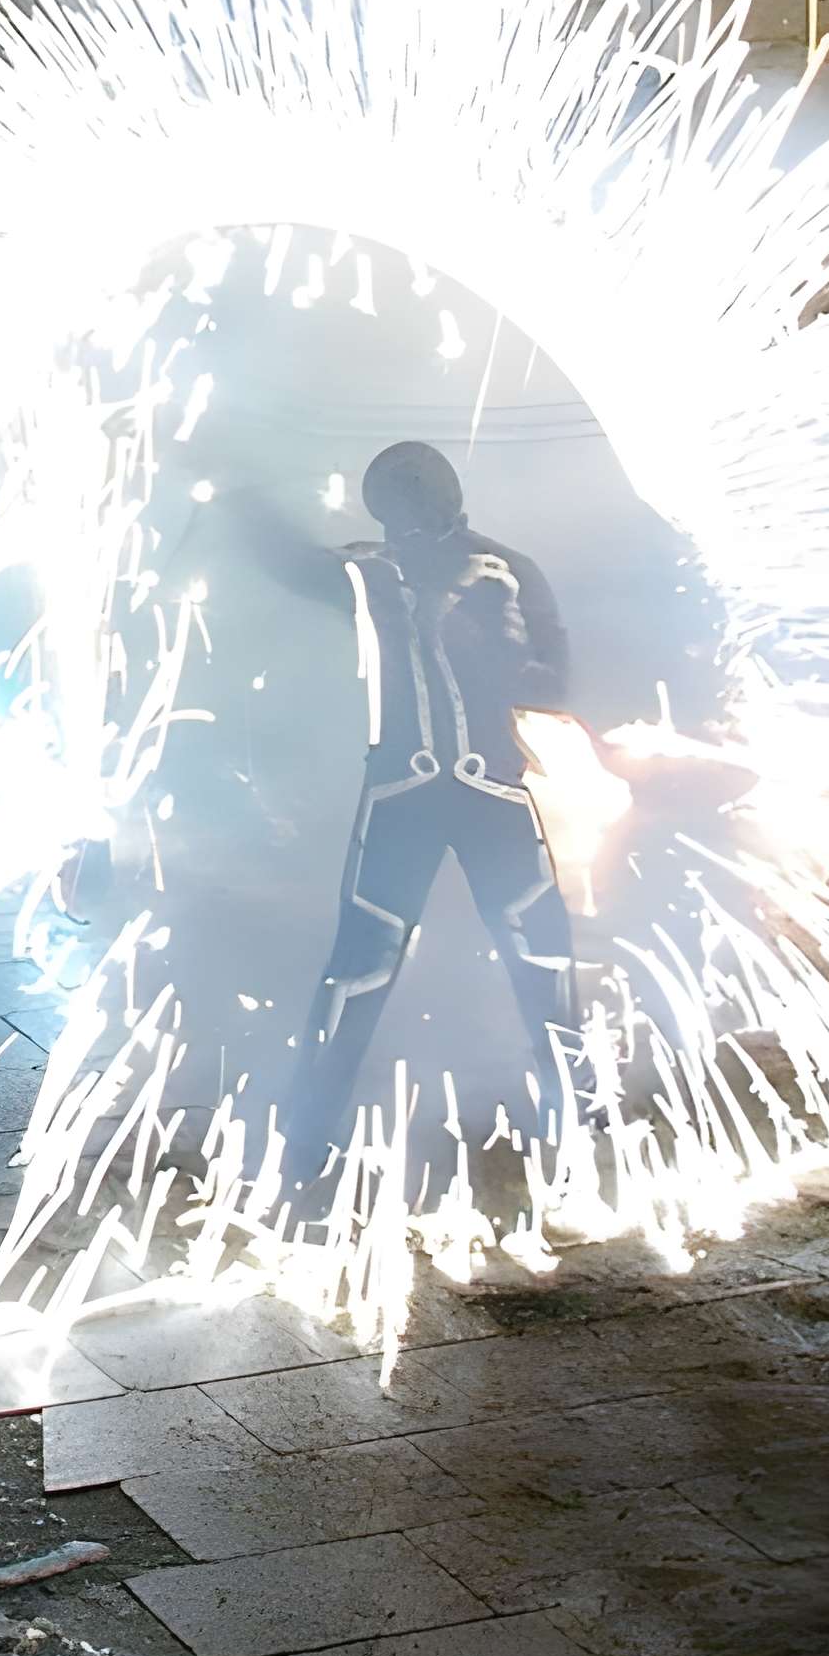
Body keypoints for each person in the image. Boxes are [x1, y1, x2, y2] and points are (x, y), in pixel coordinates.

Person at [219, 441, 579, 1152]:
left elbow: (550, 684)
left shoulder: (408, 572)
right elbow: (552, 683)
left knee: (512, 959)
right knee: (502, 958)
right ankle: (309, 1131)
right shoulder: (395, 572)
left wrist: (234, 494)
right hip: (453, 793)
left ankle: (307, 1132)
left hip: (435, 794)